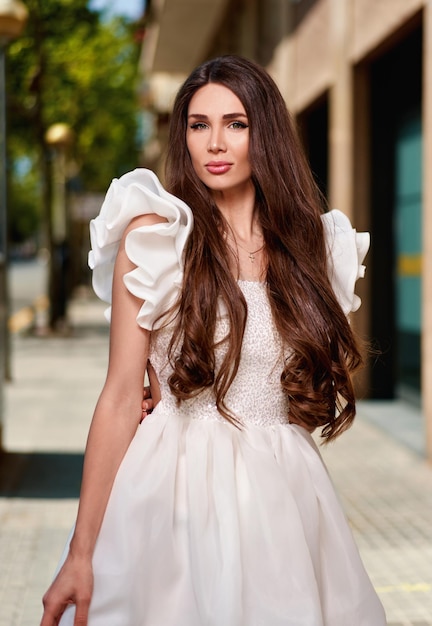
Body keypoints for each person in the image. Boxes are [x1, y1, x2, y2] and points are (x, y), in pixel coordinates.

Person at [40, 55, 387, 626]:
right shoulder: (157, 238)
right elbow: (121, 396)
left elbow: (301, 388)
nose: (215, 143)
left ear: (265, 133)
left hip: (284, 500)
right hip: (171, 493)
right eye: (199, 125)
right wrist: (81, 553)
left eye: (236, 123)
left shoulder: (313, 250)